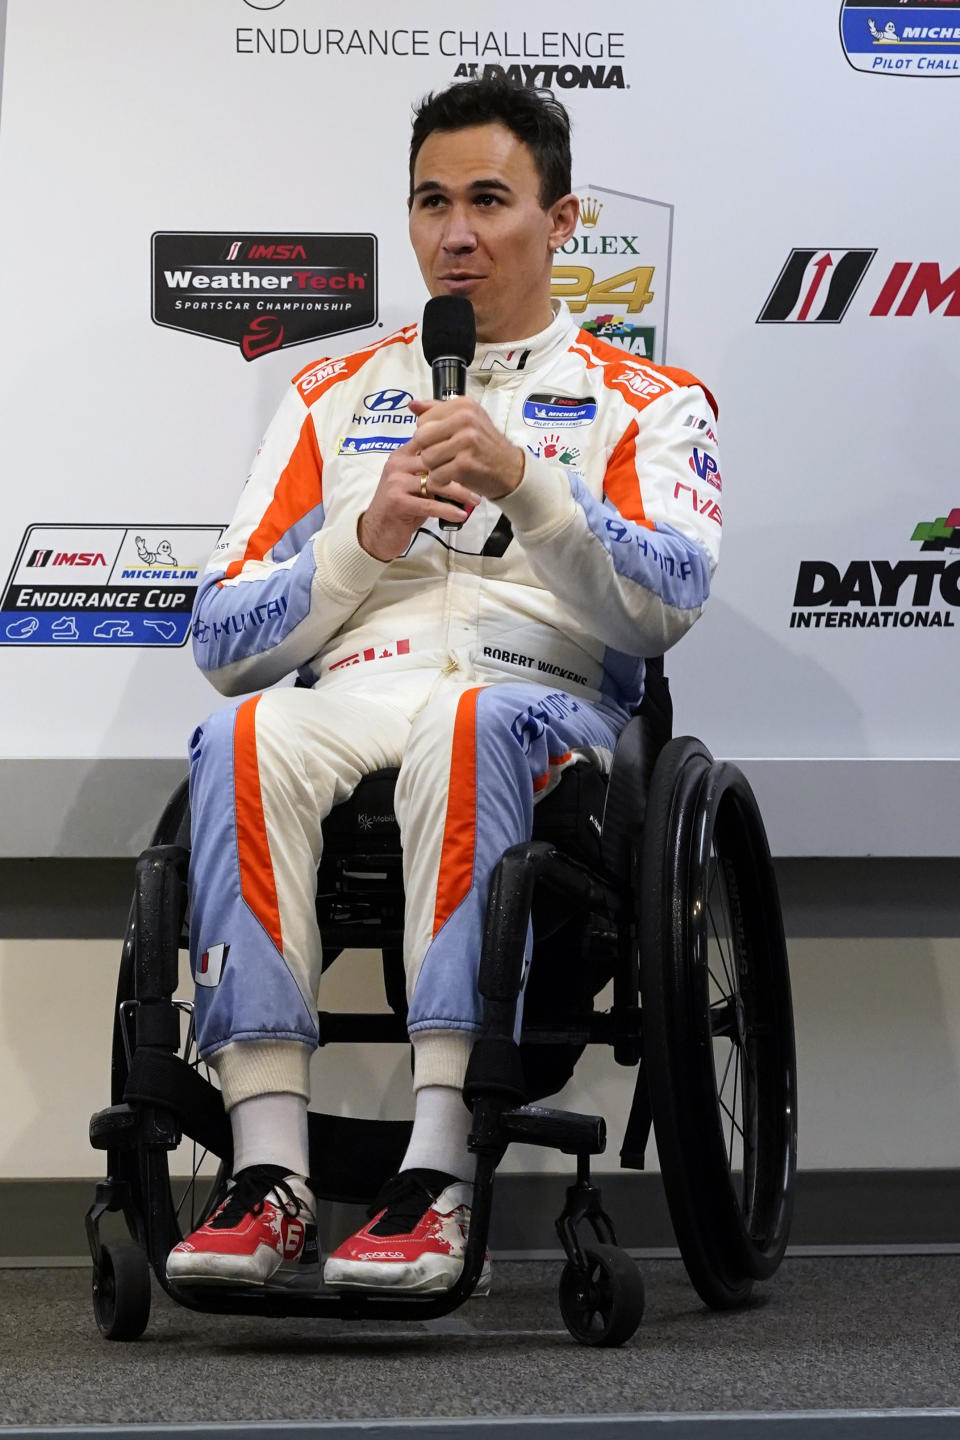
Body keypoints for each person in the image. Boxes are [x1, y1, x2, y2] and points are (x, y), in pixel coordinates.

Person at [166, 75, 721, 1296]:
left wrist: (531, 482)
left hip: (545, 700)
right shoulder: (331, 393)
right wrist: (358, 543)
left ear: (562, 219)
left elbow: (668, 598)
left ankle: (436, 1176)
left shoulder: (652, 401)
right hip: (359, 685)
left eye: (488, 200)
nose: (455, 233)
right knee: (245, 731)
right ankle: (269, 1175)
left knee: (472, 723)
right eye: (431, 202)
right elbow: (221, 633)